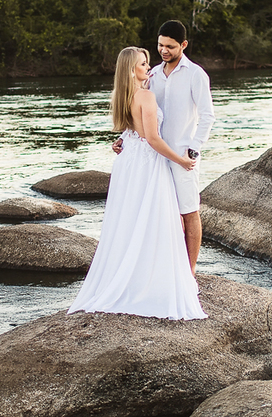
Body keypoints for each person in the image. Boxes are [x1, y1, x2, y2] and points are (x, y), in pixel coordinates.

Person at [68, 46, 207, 320]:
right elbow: (153, 139)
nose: (149, 66)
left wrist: (121, 141)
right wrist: (181, 161)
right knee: (156, 221)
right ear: (133, 70)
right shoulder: (145, 95)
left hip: (128, 163)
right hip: (148, 164)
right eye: (144, 64)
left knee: (130, 221)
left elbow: (130, 131)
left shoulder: (122, 95)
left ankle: (134, 276)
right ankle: (155, 280)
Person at [113, 20, 215, 274]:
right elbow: (140, 114)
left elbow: (207, 116)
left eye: (170, 46)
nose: (163, 51)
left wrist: (193, 149)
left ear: (183, 45)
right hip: (154, 157)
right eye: (160, 45)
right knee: (166, 215)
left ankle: (189, 272)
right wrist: (124, 138)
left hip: (182, 155)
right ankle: (169, 270)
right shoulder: (153, 75)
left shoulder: (196, 75)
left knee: (189, 213)